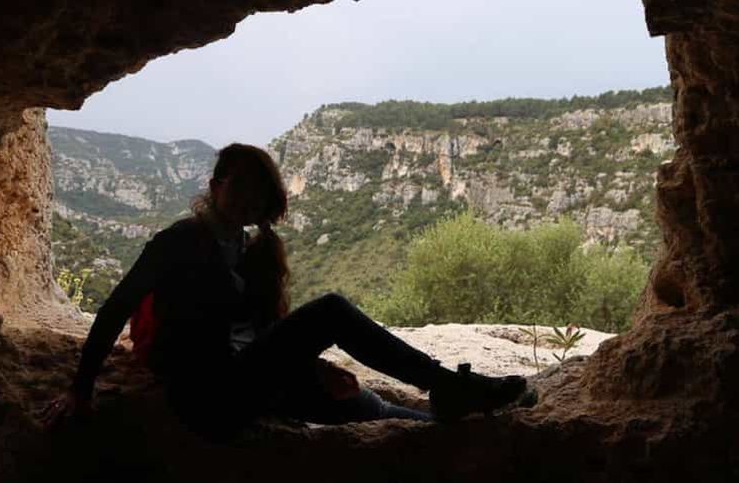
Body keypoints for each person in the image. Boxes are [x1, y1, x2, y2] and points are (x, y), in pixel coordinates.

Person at [42, 143, 530, 440]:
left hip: (246, 379)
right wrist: (79, 390)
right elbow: (115, 308)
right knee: (331, 310)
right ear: (214, 186)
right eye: (240, 186)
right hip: (208, 396)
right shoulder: (180, 242)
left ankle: (477, 420)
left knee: (363, 406)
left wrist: (311, 364)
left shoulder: (245, 247)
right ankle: (448, 387)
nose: (249, 199)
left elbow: (259, 332)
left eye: (258, 191)